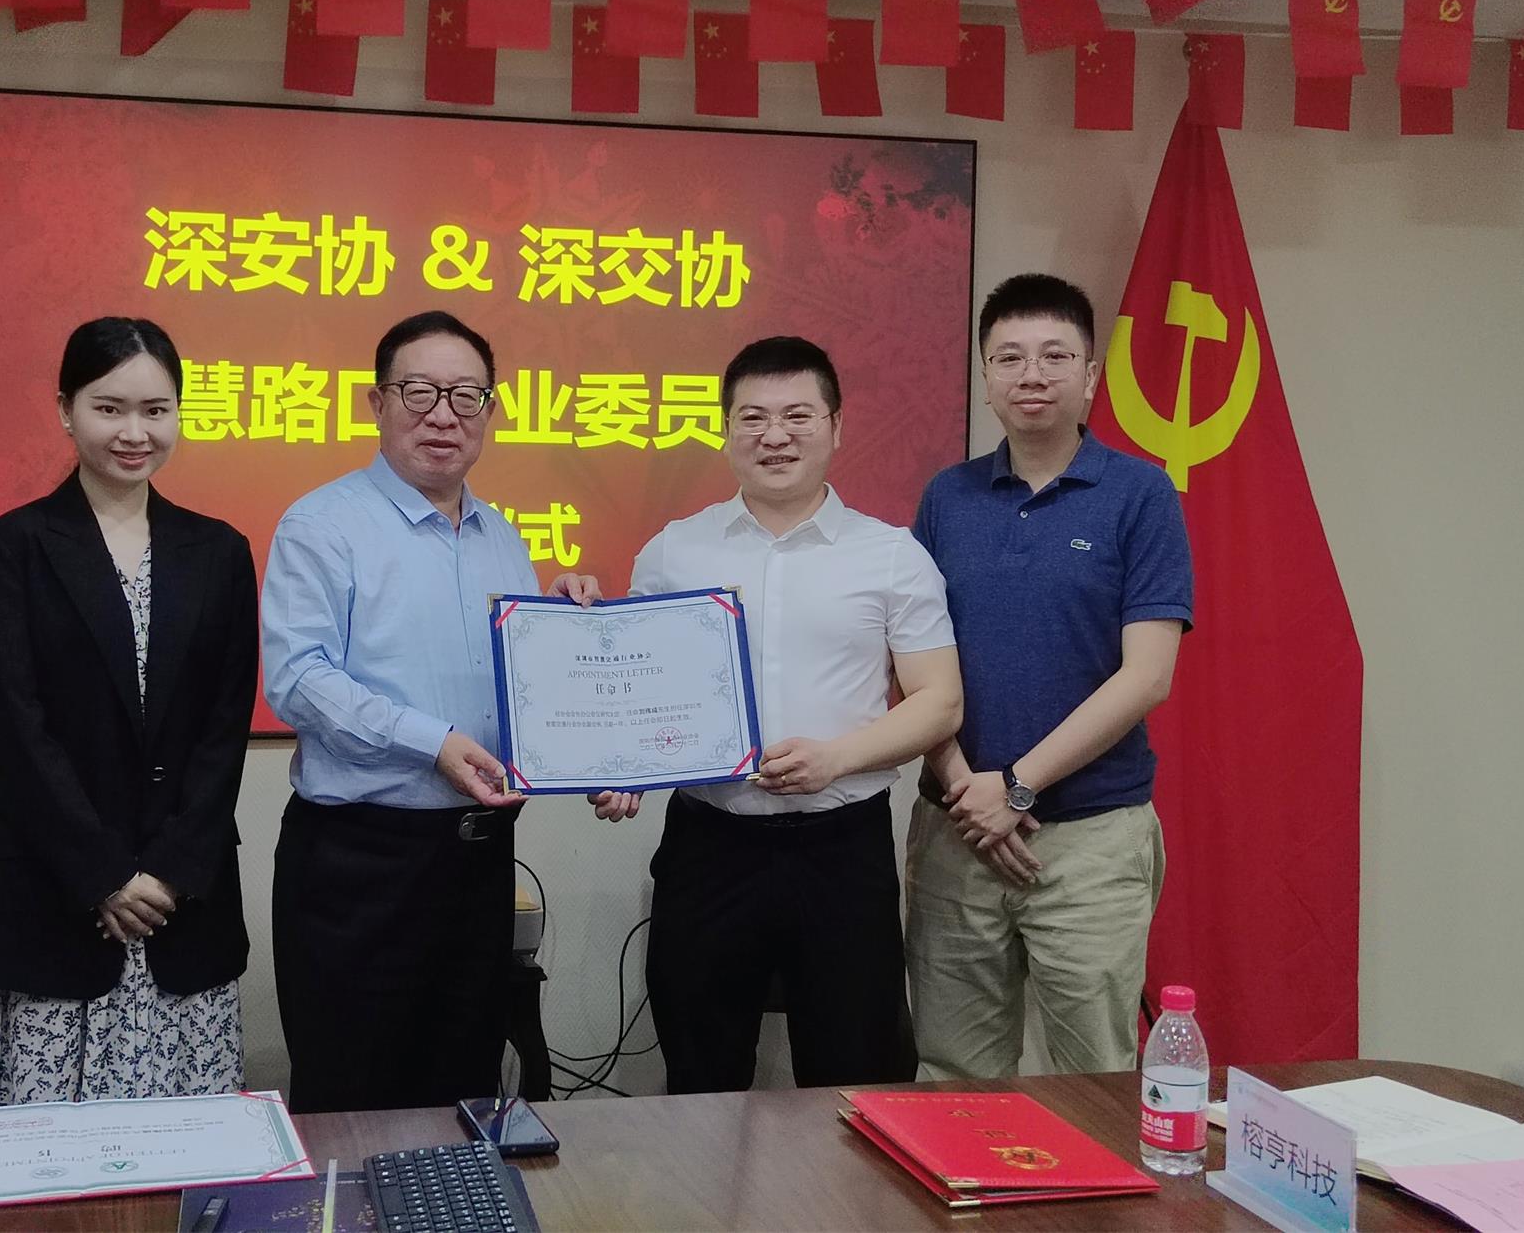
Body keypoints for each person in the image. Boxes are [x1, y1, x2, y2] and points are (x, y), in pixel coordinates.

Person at [592, 336, 963, 1093]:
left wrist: (836, 758)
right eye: (753, 417)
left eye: (798, 415)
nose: (775, 436)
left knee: (856, 1075)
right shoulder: (674, 552)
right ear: (726, 429)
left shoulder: (891, 555)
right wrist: (622, 766)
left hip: (841, 850)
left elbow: (939, 701)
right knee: (700, 1075)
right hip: (710, 846)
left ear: (836, 426)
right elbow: (635, 689)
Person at [260, 310, 598, 1114]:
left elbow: (519, 688)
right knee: (352, 1101)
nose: (443, 415)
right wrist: (432, 742)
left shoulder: (502, 537)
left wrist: (566, 637)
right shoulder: (323, 525)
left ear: (491, 409)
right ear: (377, 404)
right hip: (362, 863)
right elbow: (298, 678)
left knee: (463, 1094)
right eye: (419, 392)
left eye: (465, 395)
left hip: (478, 865)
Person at [0, 317, 259, 1106]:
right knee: (45, 1155)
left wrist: (170, 871)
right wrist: (106, 876)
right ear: (66, 409)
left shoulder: (219, 551)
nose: (134, 433)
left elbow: (224, 727)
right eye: (109, 408)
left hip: (184, 904)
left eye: (156, 410)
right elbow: (15, 731)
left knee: (187, 1153)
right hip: (56, 897)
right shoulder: (13, 546)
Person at [907, 272, 1192, 1078]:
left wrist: (1018, 788)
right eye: (1010, 357)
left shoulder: (1141, 493)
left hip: (1090, 840)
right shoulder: (947, 497)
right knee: (952, 1077)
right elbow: (912, 665)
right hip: (958, 832)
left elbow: (1147, 677)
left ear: (1090, 376)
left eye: (1055, 356)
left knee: (1094, 1078)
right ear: (986, 378)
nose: (1031, 375)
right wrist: (972, 797)